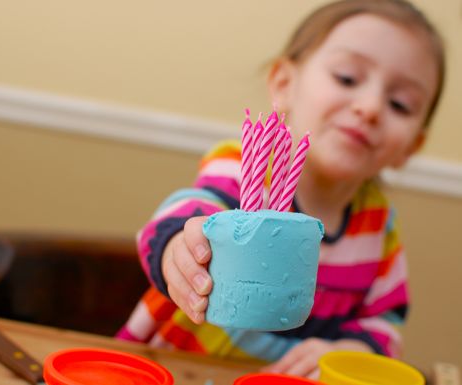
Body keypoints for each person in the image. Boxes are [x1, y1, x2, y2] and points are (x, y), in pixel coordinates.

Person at [116, 0, 445, 379]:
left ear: (412, 147)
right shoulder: (246, 169)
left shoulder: (379, 227)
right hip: (175, 368)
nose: (370, 107)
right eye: (347, 78)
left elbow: (385, 321)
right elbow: (184, 214)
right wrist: (180, 249)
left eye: (400, 104)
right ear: (285, 85)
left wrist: (345, 350)